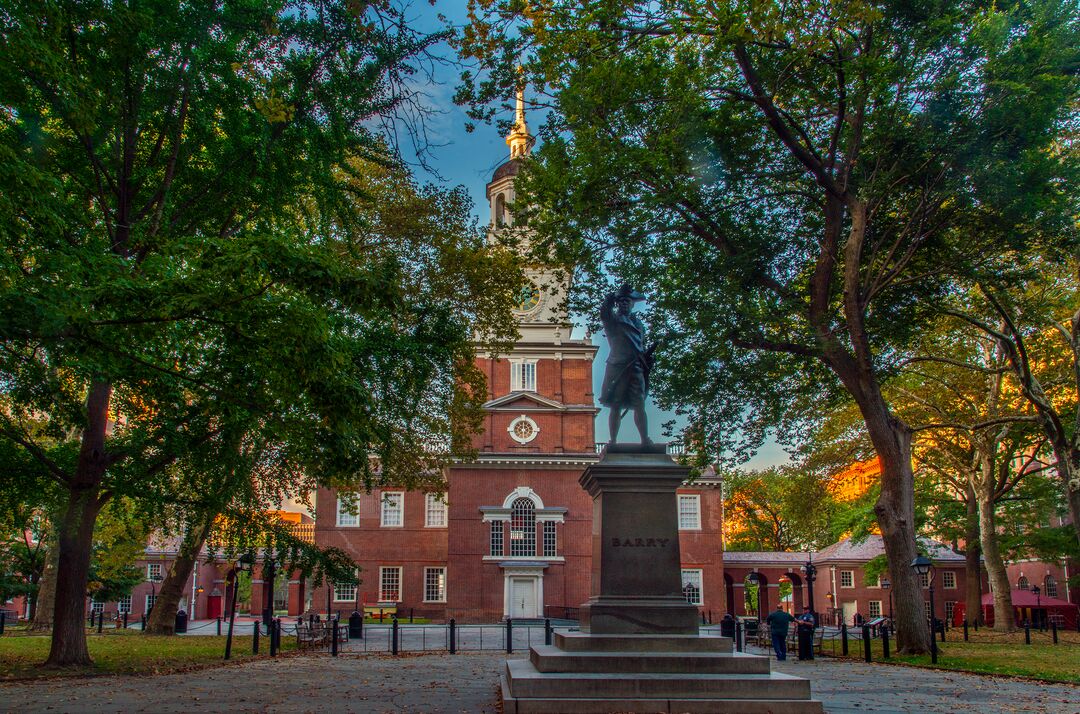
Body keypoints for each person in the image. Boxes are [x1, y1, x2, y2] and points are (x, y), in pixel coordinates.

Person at [599, 284, 654, 444]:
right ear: (617, 304)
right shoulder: (613, 320)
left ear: (632, 304)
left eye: (627, 301)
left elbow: (640, 345)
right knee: (616, 404)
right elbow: (604, 313)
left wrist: (647, 358)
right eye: (621, 301)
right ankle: (613, 441)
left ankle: (645, 439)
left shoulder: (638, 323)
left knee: (639, 403)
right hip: (618, 366)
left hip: (636, 365)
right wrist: (609, 300)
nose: (624, 303)